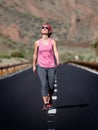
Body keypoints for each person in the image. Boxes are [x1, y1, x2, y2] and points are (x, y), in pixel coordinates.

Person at [32, 23, 60, 111]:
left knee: (51, 86)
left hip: (51, 66)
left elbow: (55, 51)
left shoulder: (52, 41)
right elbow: (35, 54)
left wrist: (58, 60)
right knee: (44, 84)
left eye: (46, 28)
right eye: (42, 27)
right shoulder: (37, 42)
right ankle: (45, 104)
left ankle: (50, 99)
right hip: (41, 66)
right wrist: (34, 65)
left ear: (49, 31)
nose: (44, 29)